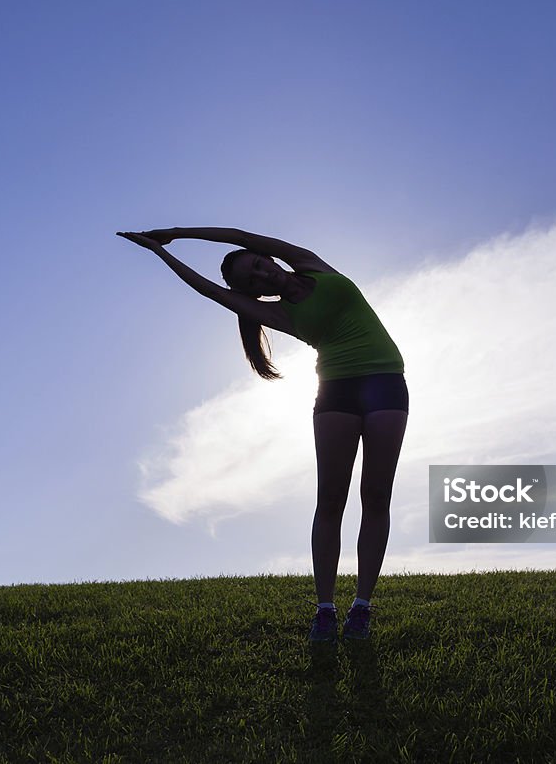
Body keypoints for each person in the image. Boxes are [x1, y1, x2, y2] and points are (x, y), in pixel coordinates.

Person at [116, 227, 408, 642]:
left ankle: (361, 607)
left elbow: (236, 233)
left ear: (266, 258)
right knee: (331, 500)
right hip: (337, 392)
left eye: (258, 264)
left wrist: (176, 233)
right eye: (251, 281)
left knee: (376, 496)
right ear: (252, 293)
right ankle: (325, 609)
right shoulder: (279, 314)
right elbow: (210, 292)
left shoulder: (309, 262)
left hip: (385, 384)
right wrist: (162, 256)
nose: (262, 275)